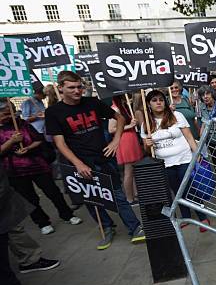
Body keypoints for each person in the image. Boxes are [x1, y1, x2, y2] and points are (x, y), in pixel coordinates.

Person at [45, 71, 145, 250]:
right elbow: (59, 143)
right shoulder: (53, 112)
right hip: (78, 162)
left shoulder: (92, 102)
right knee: (91, 199)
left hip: (103, 158)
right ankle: (107, 228)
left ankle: (135, 227)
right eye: (71, 88)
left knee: (117, 195)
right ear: (60, 88)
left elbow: (120, 118)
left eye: (79, 87)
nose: (77, 91)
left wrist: (116, 141)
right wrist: (78, 163)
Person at [0, 99, 82, 235]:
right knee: (29, 198)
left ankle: (67, 214)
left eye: (11, 113)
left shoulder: (22, 124)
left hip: (37, 165)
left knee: (53, 192)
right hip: (15, 171)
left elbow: (39, 139)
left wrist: (27, 147)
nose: (10, 116)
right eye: (5, 114)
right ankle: (42, 222)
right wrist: (12, 141)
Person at [141, 90, 209, 230]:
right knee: (177, 190)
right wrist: (147, 145)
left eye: (161, 99)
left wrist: (197, 153)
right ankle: (185, 216)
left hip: (184, 158)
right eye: (154, 100)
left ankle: (202, 217)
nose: (158, 102)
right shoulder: (146, 124)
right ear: (148, 104)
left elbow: (189, 137)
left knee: (189, 188)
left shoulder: (177, 115)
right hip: (164, 163)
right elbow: (147, 150)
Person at [109, 95, 143, 204]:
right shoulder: (115, 108)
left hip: (130, 138)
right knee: (128, 170)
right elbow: (111, 129)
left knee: (133, 170)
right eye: (126, 95)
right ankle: (129, 198)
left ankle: (135, 194)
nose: (129, 96)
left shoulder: (124, 106)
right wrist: (130, 126)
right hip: (125, 140)